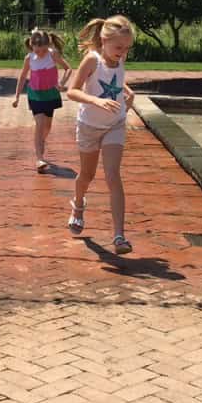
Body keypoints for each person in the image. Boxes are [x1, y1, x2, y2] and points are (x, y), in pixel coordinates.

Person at [65, 15, 136, 254]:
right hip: (89, 126)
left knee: (113, 175)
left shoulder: (120, 58)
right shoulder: (92, 60)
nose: (122, 52)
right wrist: (96, 100)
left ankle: (119, 236)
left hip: (115, 124)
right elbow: (72, 91)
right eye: (118, 47)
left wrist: (129, 93)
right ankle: (78, 205)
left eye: (127, 48)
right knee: (86, 175)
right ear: (104, 41)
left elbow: (118, 80)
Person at [12, 28, 72, 172]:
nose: (40, 53)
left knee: (47, 126)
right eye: (37, 50)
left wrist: (62, 83)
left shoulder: (53, 55)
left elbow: (68, 69)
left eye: (43, 50)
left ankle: (41, 140)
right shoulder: (29, 58)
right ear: (32, 46)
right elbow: (22, 77)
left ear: (48, 46)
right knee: (39, 124)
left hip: (51, 94)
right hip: (35, 95)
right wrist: (17, 96)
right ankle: (39, 158)